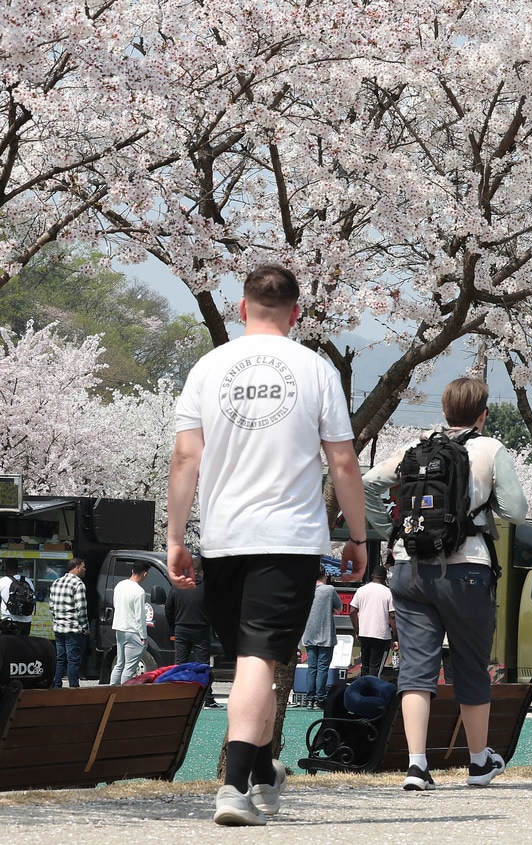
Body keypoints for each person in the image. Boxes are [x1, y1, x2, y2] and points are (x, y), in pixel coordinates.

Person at [165, 263, 368, 827]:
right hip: (289, 538)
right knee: (259, 660)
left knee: (253, 659)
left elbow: (186, 458)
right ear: (296, 311)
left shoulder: (208, 368)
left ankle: (236, 783)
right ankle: (258, 775)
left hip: (224, 537)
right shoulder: (316, 369)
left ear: (240, 307)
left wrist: (176, 537)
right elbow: (343, 461)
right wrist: (357, 536)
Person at [362, 376, 527, 792]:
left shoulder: (416, 449)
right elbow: (518, 512)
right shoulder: (489, 449)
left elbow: (367, 485)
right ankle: (477, 762)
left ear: (444, 410)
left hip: (409, 567)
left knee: (417, 668)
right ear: (483, 414)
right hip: (466, 571)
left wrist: (391, 530)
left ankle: (417, 766)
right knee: (470, 665)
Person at [166, 558, 222, 708]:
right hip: (201, 629)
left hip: (181, 628)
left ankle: (177, 695)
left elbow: (169, 608)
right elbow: (215, 609)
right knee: (202, 664)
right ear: (202, 571)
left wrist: (174, 626)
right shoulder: (207, 587)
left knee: (180, 664)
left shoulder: (178, 586)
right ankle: (207, 698)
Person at [300, 570, 338, 709]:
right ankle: (320, 698)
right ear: (325, 575)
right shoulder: (329, 590)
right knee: (322, 668)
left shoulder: (306, 590)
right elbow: (339, 606)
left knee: (312, 668)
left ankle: (310, 698)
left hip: (309, 634)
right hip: (325, 635)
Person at [48, 558, 88, 688]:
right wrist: (85, 627)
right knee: (73, 661)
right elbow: (81, 608)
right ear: (76, 567)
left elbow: (51, 606)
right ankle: (73, 688)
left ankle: (56, 686)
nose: (85, 569)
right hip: (73, 629)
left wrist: (57, 620)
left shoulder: (56, 582)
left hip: (59, 628)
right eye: (83, 567)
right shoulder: (78, 584)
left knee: (60, 659)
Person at [109, 562, 151, 684]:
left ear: (132, 571)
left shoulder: (119, 585)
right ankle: (123, 695)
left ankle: (112, 690)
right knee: (129, 667)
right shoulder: (139, 591)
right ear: (145, 574)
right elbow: (140, 616)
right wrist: (143, 636)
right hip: (133, 630)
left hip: (119, 627)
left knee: (119, 664)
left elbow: (116, 605)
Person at [350, 567, 395, 678]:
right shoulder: (388, 593)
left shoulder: (361, 590)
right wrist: (395, 636)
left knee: (364, 666)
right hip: (381, 635)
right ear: (385, 578)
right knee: (375, 668)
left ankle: (364, 691)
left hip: (364, 633)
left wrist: (358, 630)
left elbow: (352, 611)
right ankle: (371, 692)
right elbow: (393, 616)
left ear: (371, 575)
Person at [0, 561, 35, 636]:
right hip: (26, 621)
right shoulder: (28, 581)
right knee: (23, 646)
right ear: (17, 568)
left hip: (9, 621)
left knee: (8, 646)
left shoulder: (2, 581)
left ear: (6, 568)